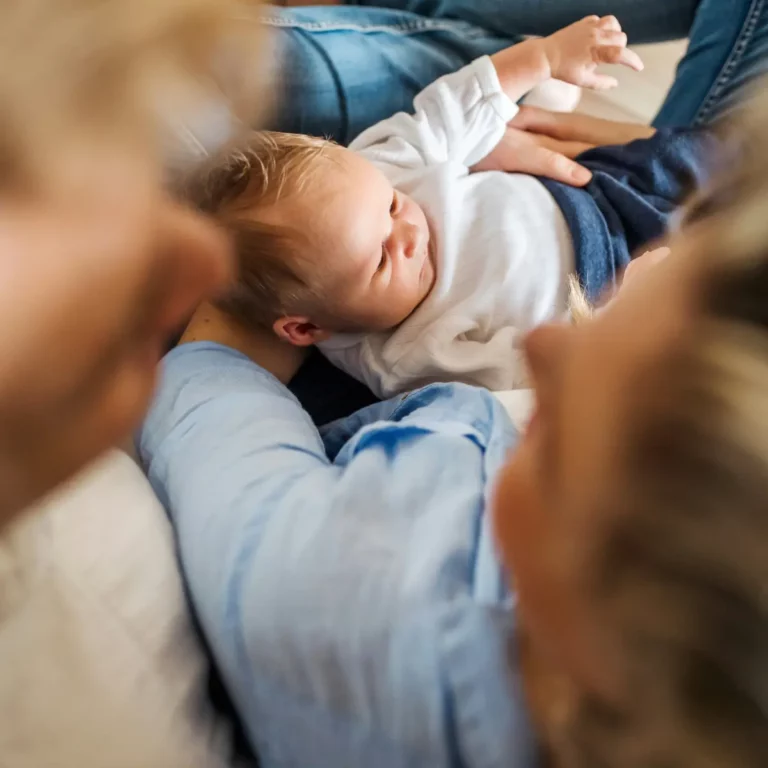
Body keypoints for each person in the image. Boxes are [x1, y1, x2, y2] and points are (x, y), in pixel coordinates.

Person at [139, 4, 768, 766]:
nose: (544, 346)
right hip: (600, 202)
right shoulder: (409, 353)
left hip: (566, 205)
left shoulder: (340, 595)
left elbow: (207, 387)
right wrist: (619, 143)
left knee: (166, 85)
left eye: (559, 434)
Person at [191, 16, 717, 397]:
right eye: (381, 259)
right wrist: (614, 321)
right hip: (605, 285)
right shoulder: (407, 357)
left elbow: (449, 112)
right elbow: (529, 374)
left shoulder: (375, 170)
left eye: (393, 206)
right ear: (307, 330)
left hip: (599, 191)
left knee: (693, 156)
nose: (410, 231)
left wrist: (545, 58)